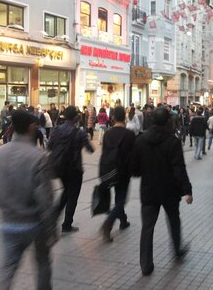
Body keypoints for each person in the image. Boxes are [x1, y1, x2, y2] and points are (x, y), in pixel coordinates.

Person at [0, 110, 57, 290]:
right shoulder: (38, 156)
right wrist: (51, 228)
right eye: (35, 125)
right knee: (43, 264)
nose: (38, 127)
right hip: (34, 224)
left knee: (7, 269)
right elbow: (45, 197)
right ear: (29, 127)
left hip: (8, 222)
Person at [131, 107, 193, 276]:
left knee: (147, 227)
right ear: (167, 122)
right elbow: (179, 168)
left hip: (149, 189)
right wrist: (187, 190)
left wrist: (142, 171)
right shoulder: (172, 141)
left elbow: (134, 168)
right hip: (169, 190)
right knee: (173, 220)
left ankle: (146, 264)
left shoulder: (141, 140)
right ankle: (177, 250)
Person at [48, 106, 94, 233]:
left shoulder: (56, 130)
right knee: (72, 195)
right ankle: (67, 224)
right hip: (75, 169)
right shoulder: (79, 132)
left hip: (60, 168)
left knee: (66, 192)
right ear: (76, 118)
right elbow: (90, 149)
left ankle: (53, 218)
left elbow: (49, 146)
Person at [99, 106, 136, 242]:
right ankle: (108, 222)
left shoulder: (107, 133)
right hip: (124, 171)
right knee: (121, 199)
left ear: (113, 117)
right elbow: (133, 155)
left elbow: (104, 153)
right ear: (125, 117)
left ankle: (123, 220)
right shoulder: (129, 134)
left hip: (109, 171)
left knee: (118, 198)